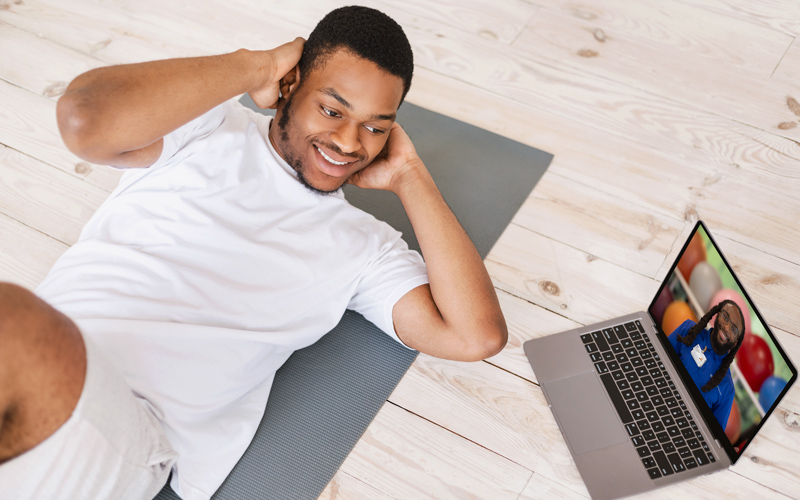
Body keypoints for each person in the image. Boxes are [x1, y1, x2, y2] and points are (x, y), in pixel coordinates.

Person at [0, 7, 507, 500]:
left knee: (12, 318)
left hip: (127, 428)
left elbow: (474, 336)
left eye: (376, 126)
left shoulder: (363, 246)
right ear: (290, 86)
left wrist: (410, 177)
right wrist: (257, 65)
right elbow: (84, 118)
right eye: (332, 110)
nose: (350, 142)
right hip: (26, 373)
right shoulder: (204, 127)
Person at [667, 299, 745, 430]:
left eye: (733, 329)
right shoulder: (688, 330)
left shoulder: (727, 388)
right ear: (717, 313)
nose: (726, 328)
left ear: (736, 343)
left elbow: (714, 436)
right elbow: (658, 356)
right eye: (725, 317)